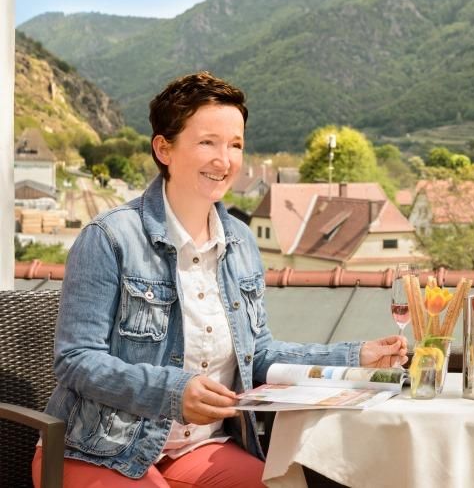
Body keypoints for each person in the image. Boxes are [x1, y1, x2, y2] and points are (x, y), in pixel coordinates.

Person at [34, 71, 407, 488]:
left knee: (289, 483)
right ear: (164, 148)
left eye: (235, 145)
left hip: (198, 447)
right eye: (207, 142)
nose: (224, 160)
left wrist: (354, 357)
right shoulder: (108, 238)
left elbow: (260, 355)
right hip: (98, 447)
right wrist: (173, 392)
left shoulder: (242, 243)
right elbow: (76, 361)